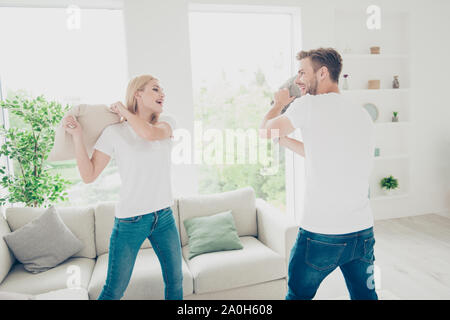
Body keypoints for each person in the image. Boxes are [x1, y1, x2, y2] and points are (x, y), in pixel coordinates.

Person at [260, 48, 377, 300]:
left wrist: (278, 104)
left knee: (297, 295)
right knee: (365, 297)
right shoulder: (361, 114)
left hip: (322, 234)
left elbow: (265, 131)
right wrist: (287, 142)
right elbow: (325, 154)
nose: (297, 79)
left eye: (302, 72)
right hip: (362, 233)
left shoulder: (308, 104)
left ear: (323, 72)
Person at [63, 74, 183, 300]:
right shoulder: (114, 133)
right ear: (138, 93)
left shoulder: (167, 123)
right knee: (114, 290)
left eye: (162, 90)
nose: (162, 94)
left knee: (175, 283)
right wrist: (78, 137)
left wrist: (125, 113)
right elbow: (88, 175)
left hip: (164, 216)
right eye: (155, 89)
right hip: (131, 220)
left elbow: (148, 134)